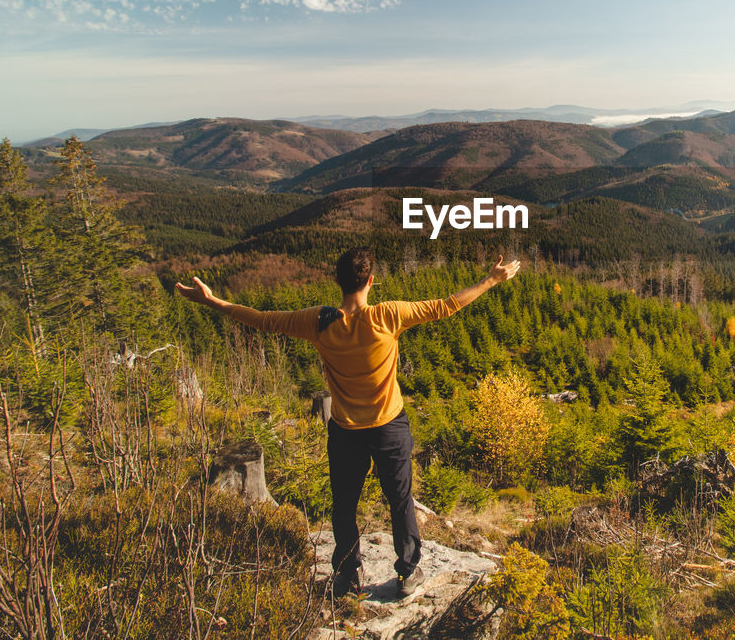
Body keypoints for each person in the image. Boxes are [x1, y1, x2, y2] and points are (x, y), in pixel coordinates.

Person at [176, 248, 520, 598]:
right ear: (371, 281)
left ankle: (346, 577)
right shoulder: (388, 316)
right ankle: (406, 573)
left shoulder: (319, 321)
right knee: (400, 500)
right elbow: (447, 304)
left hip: (345, 431)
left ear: (337, 281)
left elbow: (262, 319)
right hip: (389, 425)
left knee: (344, 504)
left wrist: (213, 302)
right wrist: (491, 279)